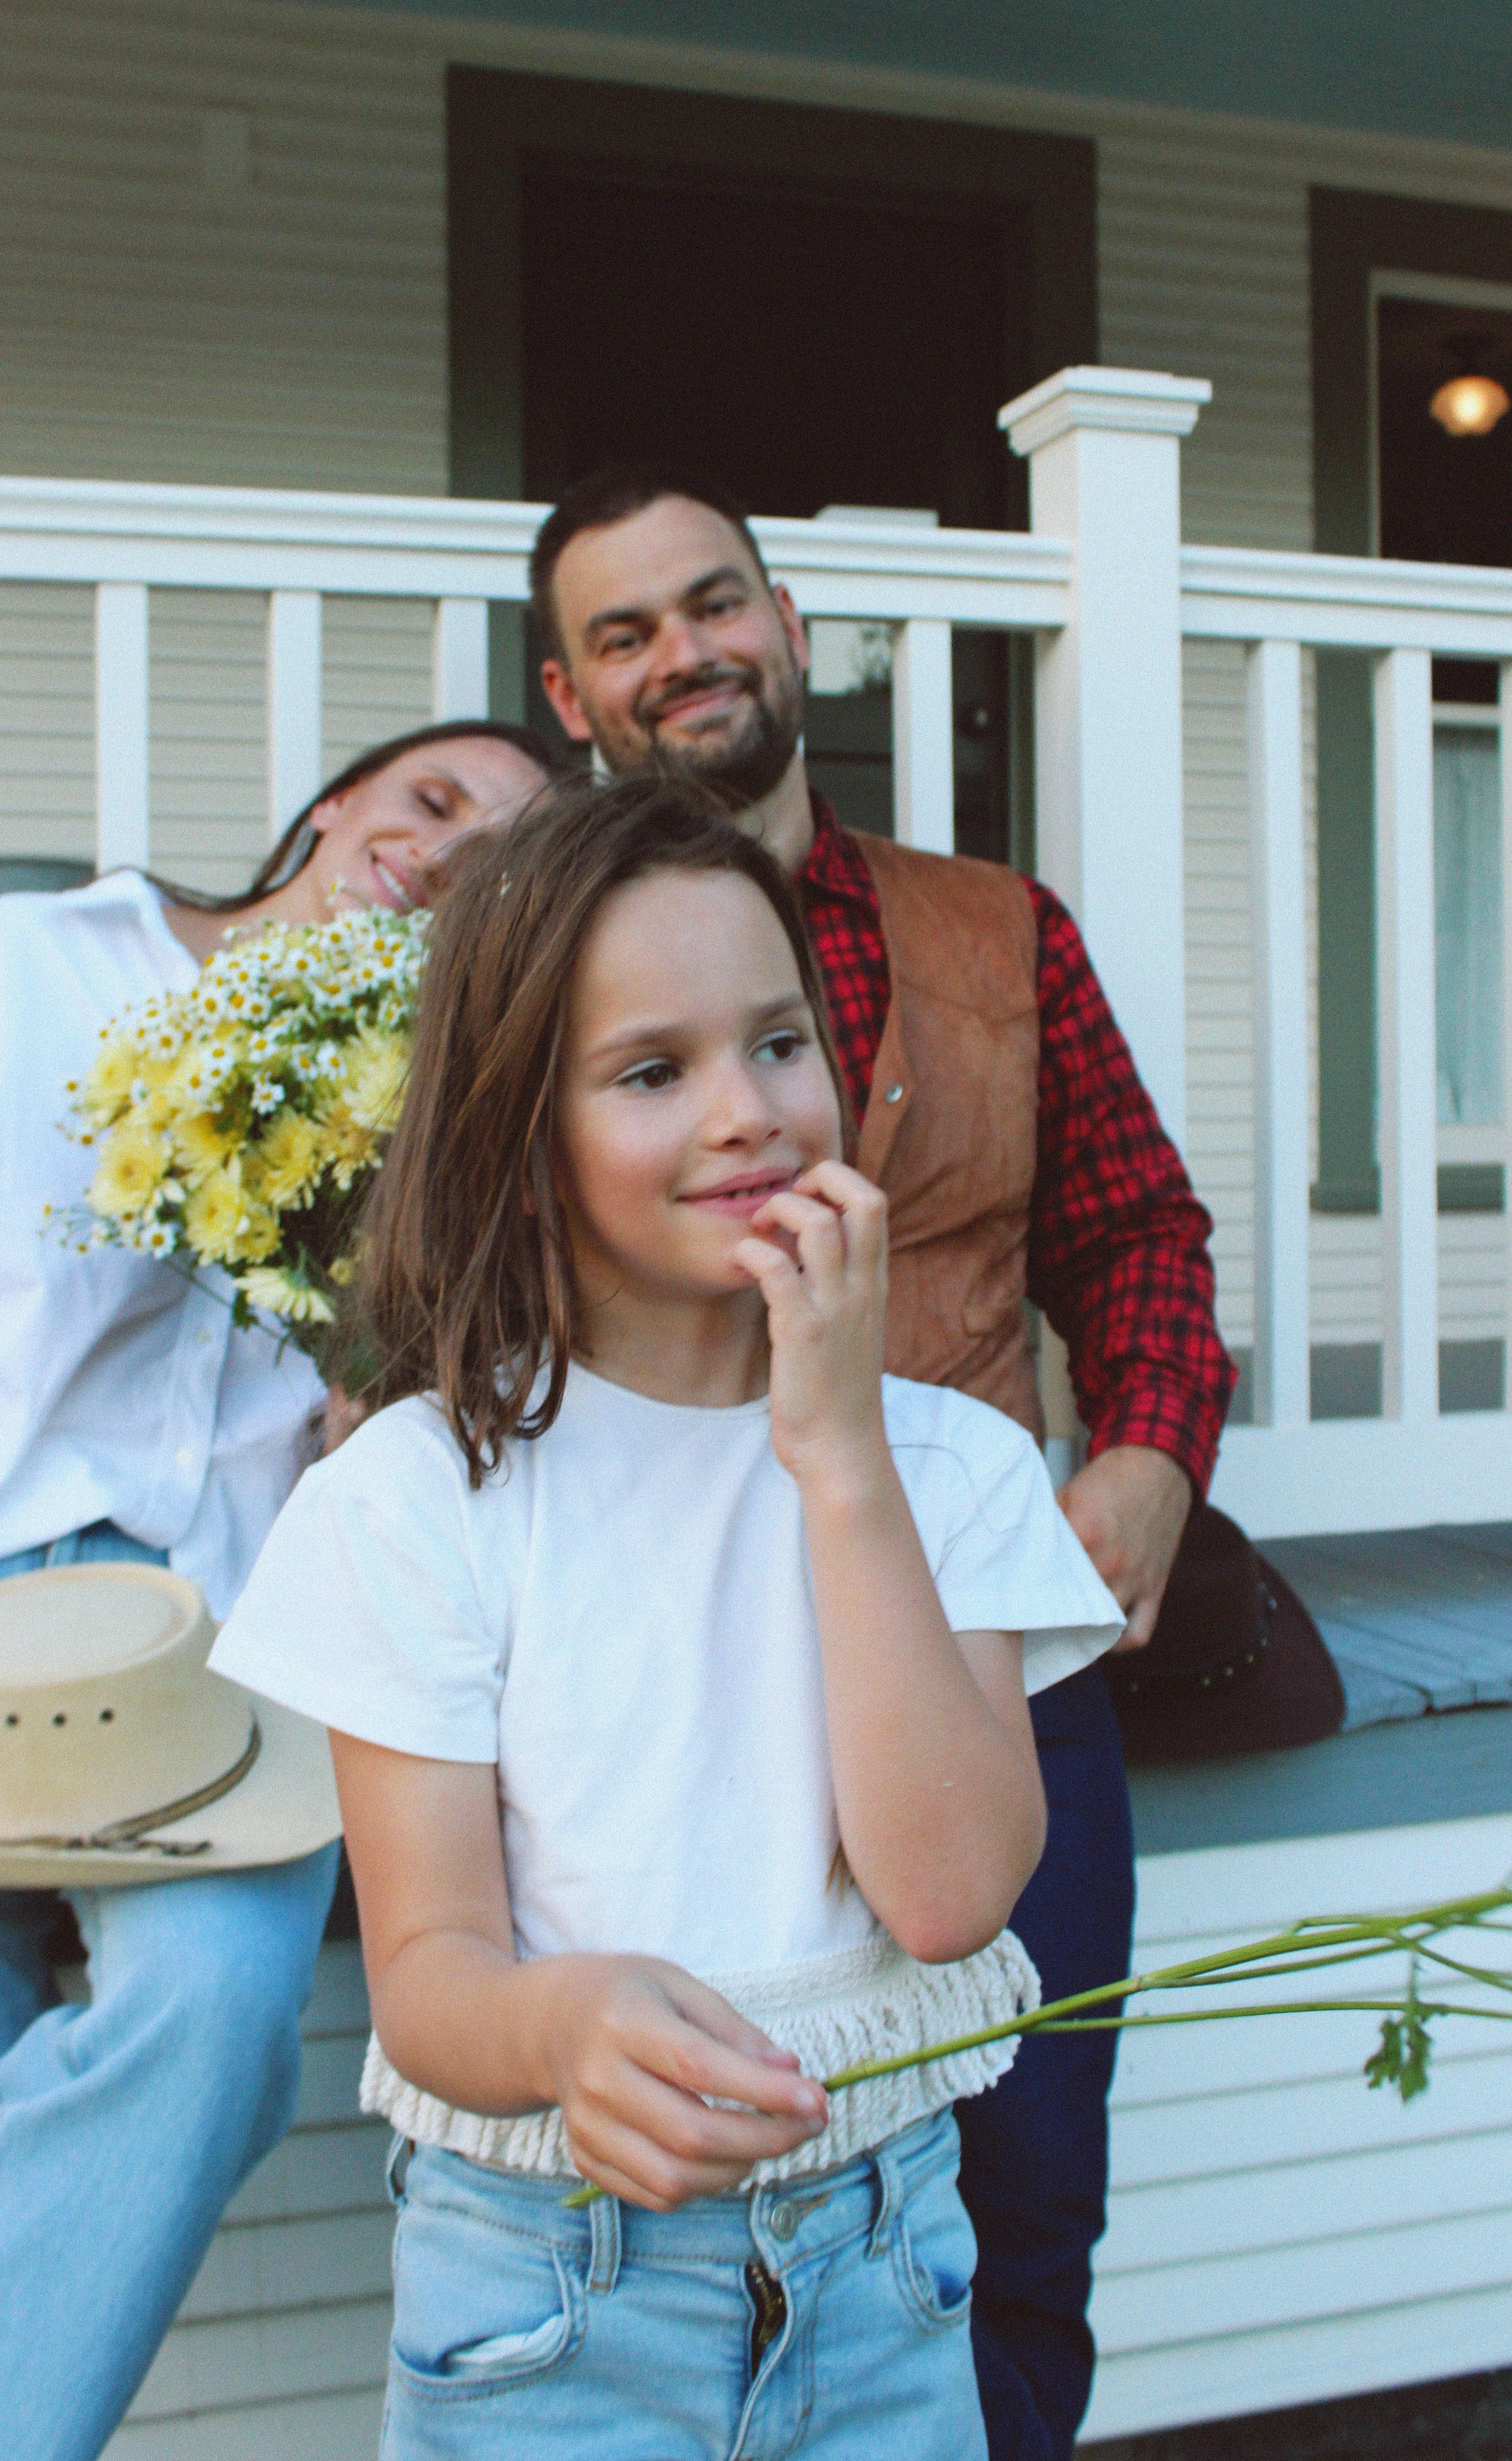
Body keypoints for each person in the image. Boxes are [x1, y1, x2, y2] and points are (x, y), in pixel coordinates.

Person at [212, 772, 1123, 2458]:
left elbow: (948, 1896)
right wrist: (559, 2026)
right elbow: (428, 1974)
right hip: (551, 2291)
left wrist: (839, 1450)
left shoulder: (952, 1469)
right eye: (652, 1071)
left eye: (781, 1044)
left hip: (881, 2267)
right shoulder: (422, 1497)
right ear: (521, 1130)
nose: (748, 1112)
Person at [525, 466, 1238, 2461]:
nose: (687, 653)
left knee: (1019, 2209)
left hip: (981, 1632)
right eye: (626, 632)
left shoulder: (995, 932)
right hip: (657, 1662)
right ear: (569, 696)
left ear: (791, 628)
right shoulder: (528, 965)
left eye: (716, 601)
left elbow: (1140, 1240)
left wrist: (1152, 1462)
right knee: (683, 2223)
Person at [0, 717, 555, 2461]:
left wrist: (373, 1361)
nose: (443, 854)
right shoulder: (27, 969)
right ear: (334, 806)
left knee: (220, 2023)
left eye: (502, 859)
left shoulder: (450, 1129)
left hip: (226, 1665)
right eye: (431, 802)